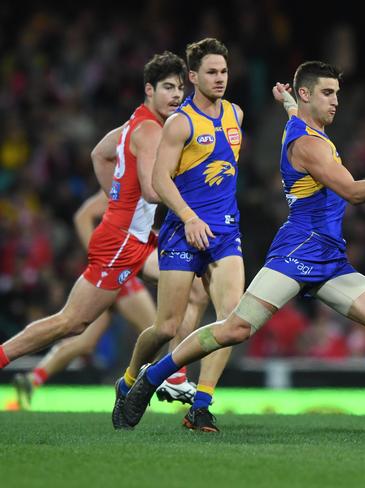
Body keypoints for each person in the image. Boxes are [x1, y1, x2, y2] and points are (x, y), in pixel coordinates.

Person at [122, 61, 365, 436]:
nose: (336, 101)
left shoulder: (300, 123)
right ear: (307, 94)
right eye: (327, 93)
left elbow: (294, 113)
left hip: (329, 259)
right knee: (236, 329)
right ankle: (152, 376)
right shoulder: (307, 144)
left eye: (337, 93)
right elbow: (352, 192)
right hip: (298, 252)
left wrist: (287, 101)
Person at [0, 51, 210, 426]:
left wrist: (115, 197)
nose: (176, 95)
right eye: (167, 88)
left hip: (137, 238)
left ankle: (175, 377)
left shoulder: (137, 123)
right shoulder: (151, 131)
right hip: (119, 243)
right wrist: (186, 196)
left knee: (193, 288)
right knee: (72, 324)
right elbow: (149, 190)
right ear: (150, 90)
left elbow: (100, 154)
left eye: (180, 88)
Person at [112, 38, 246, 433]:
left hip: (224, 232)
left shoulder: (236, 114)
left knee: (232, 321)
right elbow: (159, 180)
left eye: (223, 71)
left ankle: (200, 406)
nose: (219, 78)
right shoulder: (180, 123)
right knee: (167, 327)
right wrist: (188, 217)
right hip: (183, 232)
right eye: (211, 72)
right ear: (193, 76)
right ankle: (132, 379)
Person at [11, 191, 194, 409]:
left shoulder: (131, 181)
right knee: (157, 330)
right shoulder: (127, 182)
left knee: (82, 339)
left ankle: (34, 379)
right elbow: (83, 215)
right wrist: (102, 258)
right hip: (120, 271)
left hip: (116, 267)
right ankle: (151, 391)